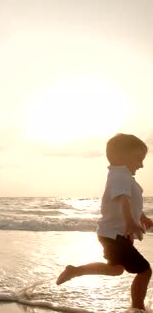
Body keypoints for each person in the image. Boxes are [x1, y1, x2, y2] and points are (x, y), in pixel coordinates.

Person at [56, 133, 153, 310]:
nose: (142, 164)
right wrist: (131, 222)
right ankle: (138, 308)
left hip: (111, 235)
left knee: (116, 269)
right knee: (145, 270)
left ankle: (75, 270)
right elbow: (123, 199)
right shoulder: (120, 175)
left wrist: (142, 217)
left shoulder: (121, 176)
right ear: (120, 157)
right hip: (114, 236)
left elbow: (130, 202)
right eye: (138, 158)